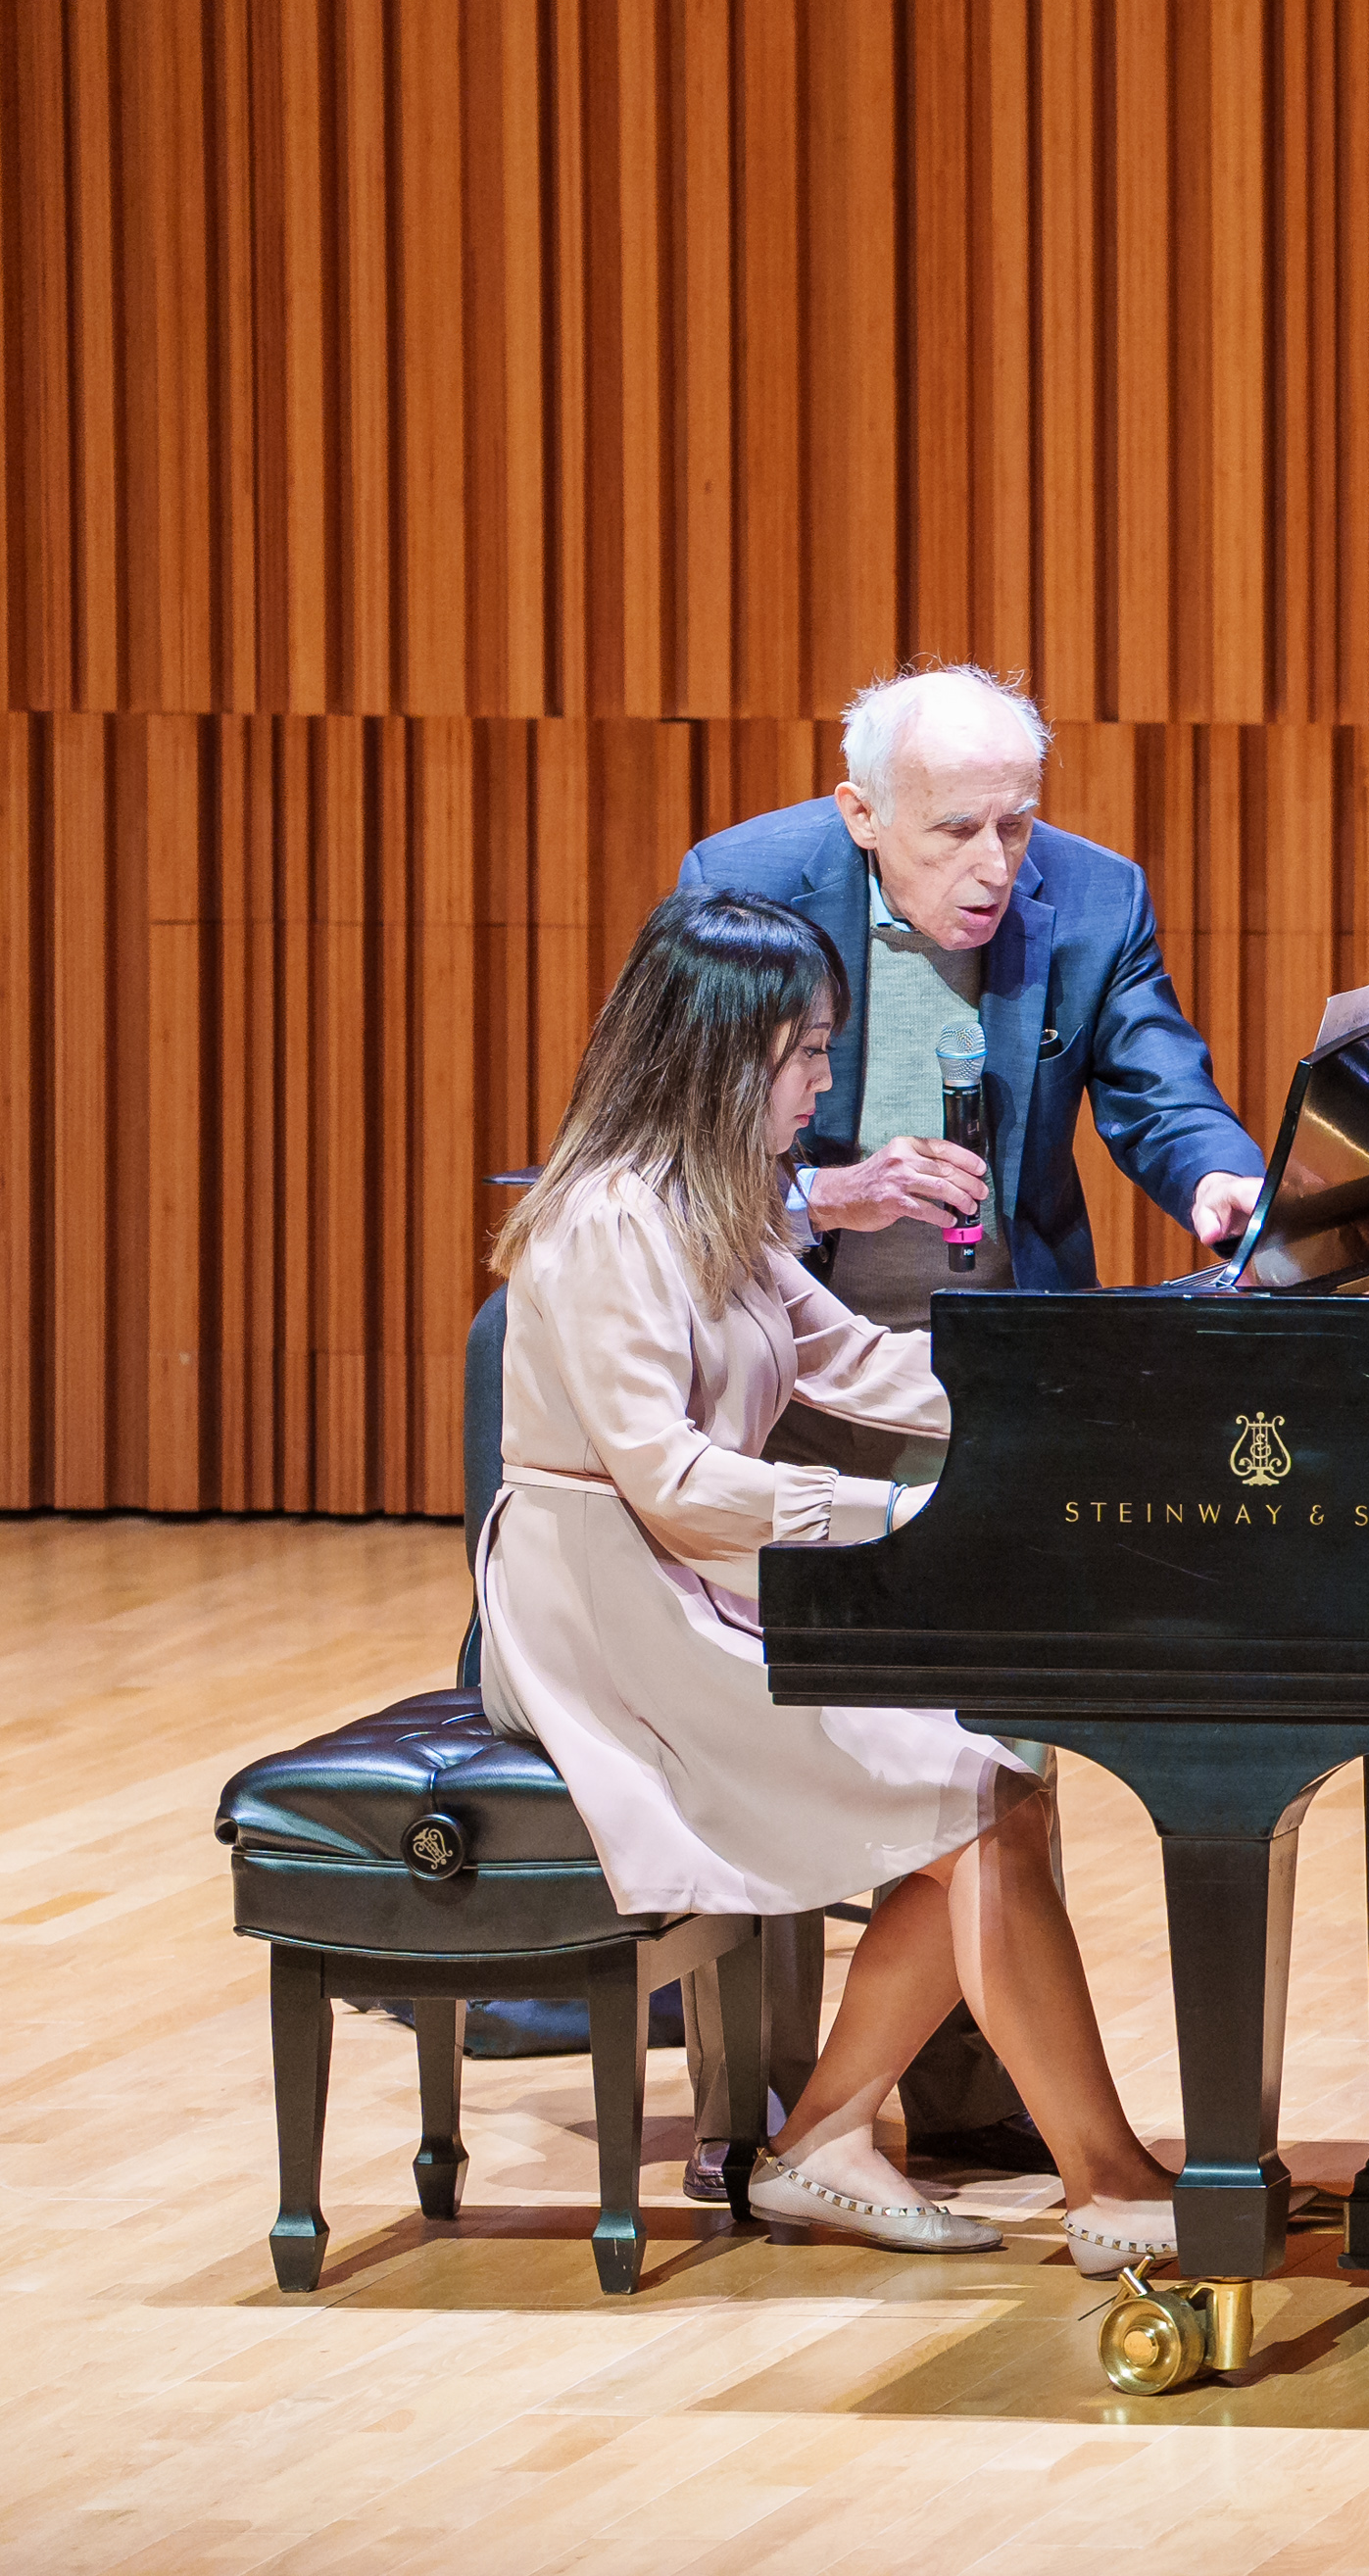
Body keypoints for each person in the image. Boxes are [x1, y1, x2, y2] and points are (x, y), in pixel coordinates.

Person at [476, 888, 1178, 2268]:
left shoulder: (714, 1201)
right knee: (979, 1797)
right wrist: (898, 1512)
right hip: (604, 1611)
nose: (823, 1083)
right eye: (805, 1054)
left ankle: (828, 2143)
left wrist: (1071, 1416)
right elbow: (669, 1483)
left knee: (991, 1786)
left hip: (687, 1581)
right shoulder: (610, 1223)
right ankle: (1104, 2184)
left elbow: (857, 1362)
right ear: (720, 1057)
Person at [667, 663, 1268, 2187]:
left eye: (1018, 823)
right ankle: (784, 2117)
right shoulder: (744, 890)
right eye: (954, 832)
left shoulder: (1094, 895)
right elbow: (654, 1167)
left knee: (993, 1745)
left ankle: (954, 2104)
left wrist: (1213, 1177)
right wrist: (827, 1194)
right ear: (861, 813)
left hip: (973, 1375)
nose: (997, 867)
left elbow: (1158, 1086)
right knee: (886, 1756)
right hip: (784, 1374)